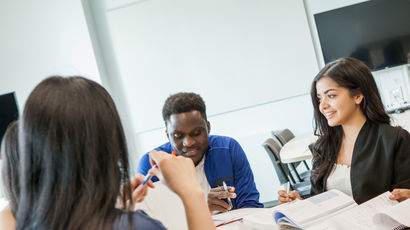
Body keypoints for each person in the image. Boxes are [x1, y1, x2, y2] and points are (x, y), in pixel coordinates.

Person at [0, 76, 214, 230]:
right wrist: (191, 193)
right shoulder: (136, 226)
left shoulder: (21, 222)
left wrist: (107, 205)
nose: (188, 142)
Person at [278, 57, 410, 204]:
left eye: (331, 96)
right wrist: (300, 202)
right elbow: (319, 200)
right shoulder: (322, 147)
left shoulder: (394, 140)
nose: (323, 106)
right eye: (320, 98)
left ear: (358, 96)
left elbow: (404, 198)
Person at [137, 92, 262, 212]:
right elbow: (152, 222)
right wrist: (200, 207)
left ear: (208, 128)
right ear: (168, 136)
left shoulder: (228, 149)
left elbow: (250, 206)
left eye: (196, 133)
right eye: (178, 135)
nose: (189, 143)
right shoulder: (152, 165)